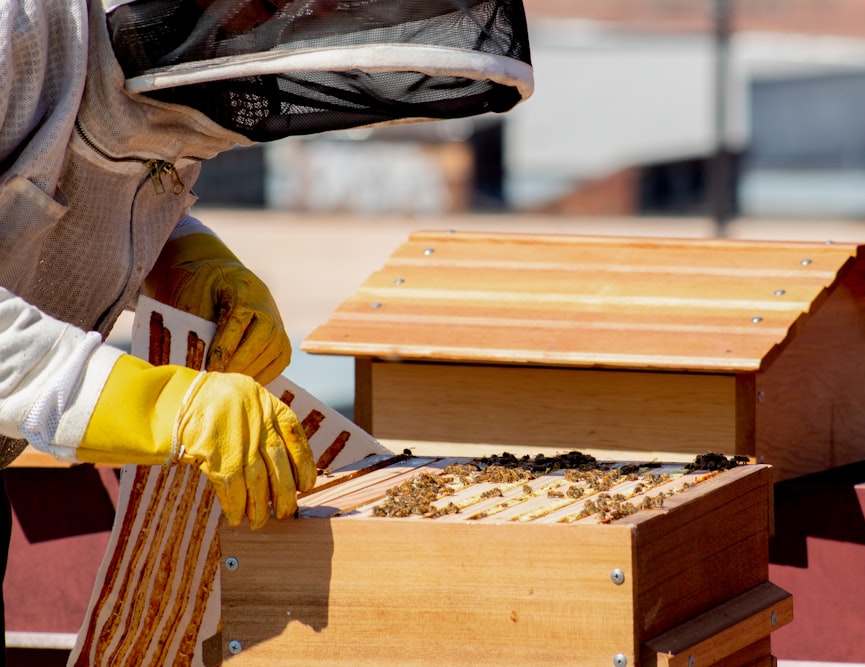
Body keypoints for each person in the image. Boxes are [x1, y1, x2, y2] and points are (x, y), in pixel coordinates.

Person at [0, 0, 531, 655]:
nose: (289, 15)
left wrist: (178, 255)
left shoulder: (168, 66)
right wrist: (161, 403)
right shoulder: (13, 28)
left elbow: (72, 185)